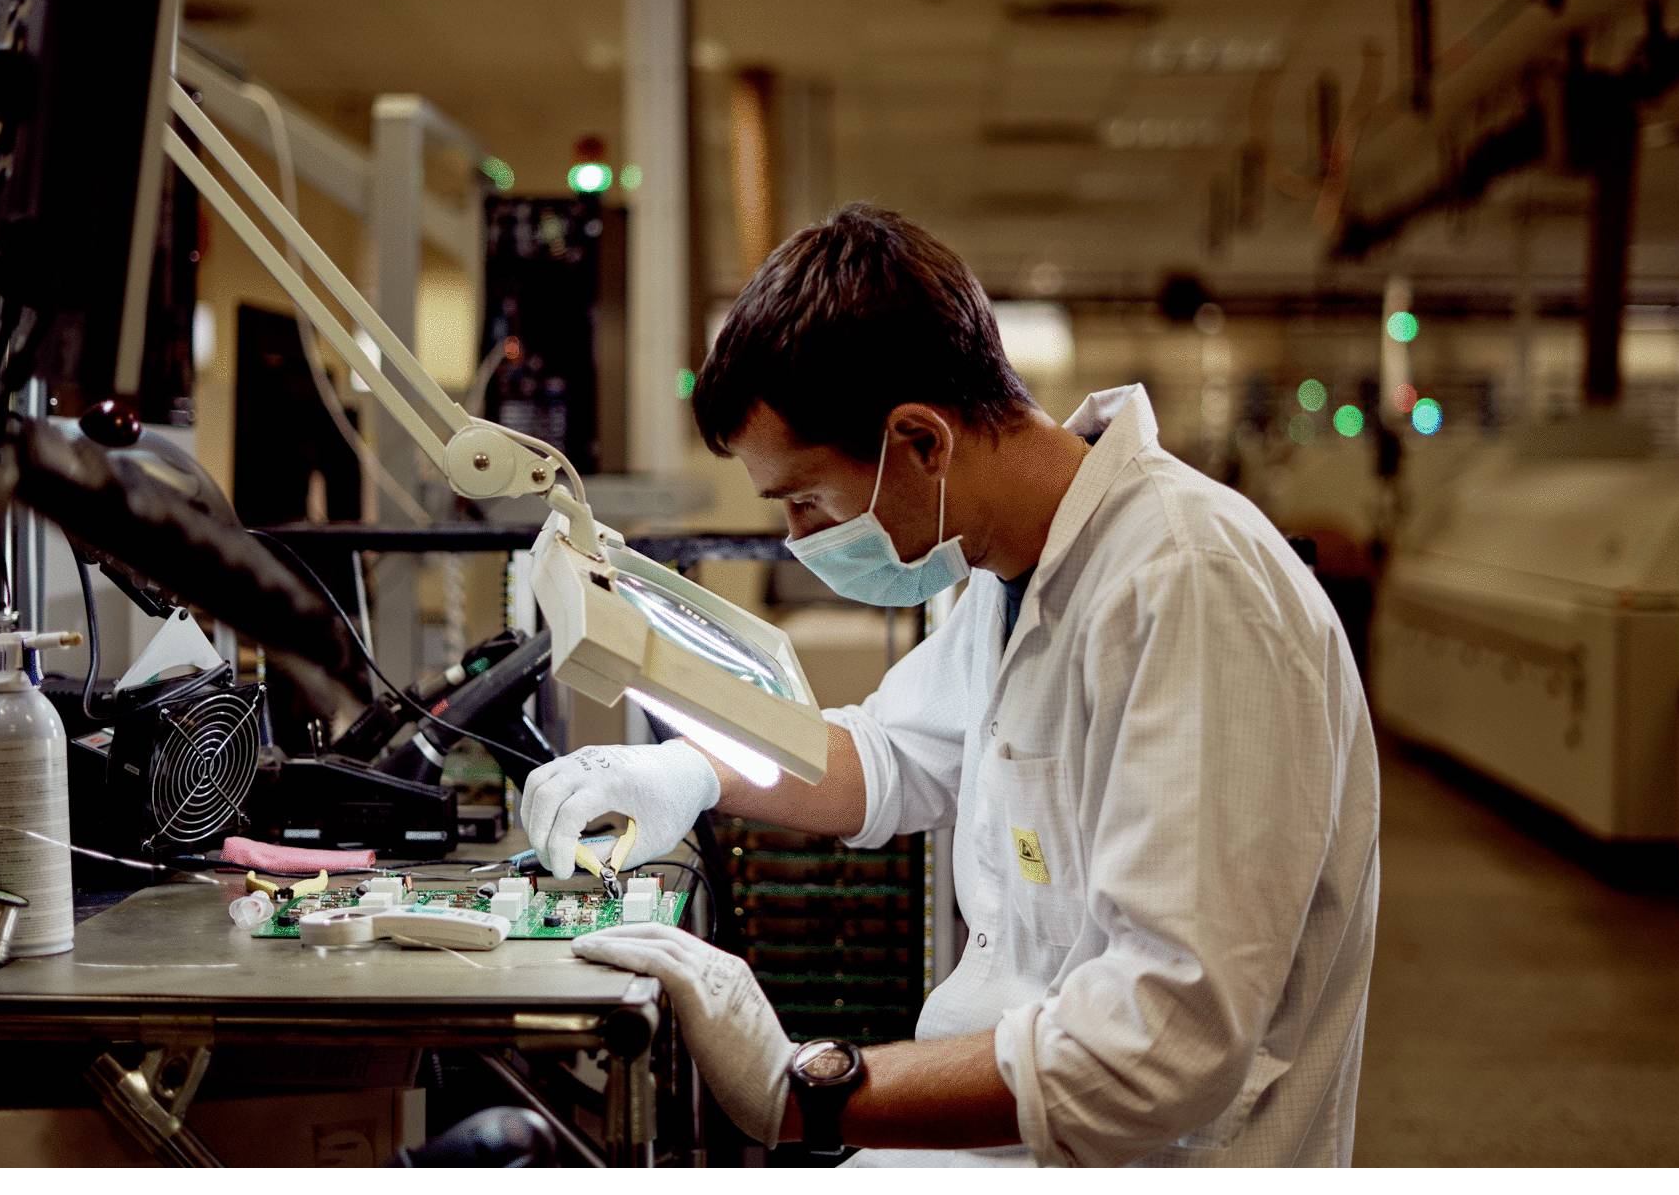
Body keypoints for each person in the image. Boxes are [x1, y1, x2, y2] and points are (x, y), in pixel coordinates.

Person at [528, 203, 1380, 1167]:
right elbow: (884, 756)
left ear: (920, 441)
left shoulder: (1186, 587)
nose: (799, 538)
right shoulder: (1011, 572)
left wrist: (806, 1087)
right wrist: (693, 767)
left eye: (805, 497)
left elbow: (1160, 1047)